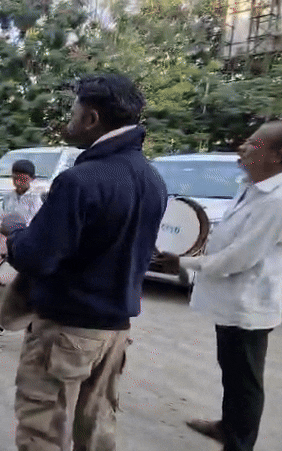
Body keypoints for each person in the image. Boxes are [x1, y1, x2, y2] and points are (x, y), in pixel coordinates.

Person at [0, 74, 167, 450]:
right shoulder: (151, 178)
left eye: (73, 111)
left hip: (66, 328)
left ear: (91, 119)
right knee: (96, 427)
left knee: (42, 428)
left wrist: (15, 231)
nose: (68, 119)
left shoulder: (81, 180)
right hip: (114, 332)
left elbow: (36, 258)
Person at [155, 121, 282, 451]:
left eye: (253, 144)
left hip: (249, 303)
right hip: (232, 298)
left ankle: (239, 443)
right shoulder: (252, 186)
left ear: (277, 156)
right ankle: (228, 426)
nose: (241, 147)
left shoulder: (276, 201)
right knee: (232, 371)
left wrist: (184, 262)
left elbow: (239, 258)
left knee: (245, 380)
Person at [1, 159, 42, 225]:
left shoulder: (36, 198)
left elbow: (36, 222)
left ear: (32, 178)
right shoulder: (8, 196)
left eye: (23, 179)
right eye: (15, 178)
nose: (18, 182)